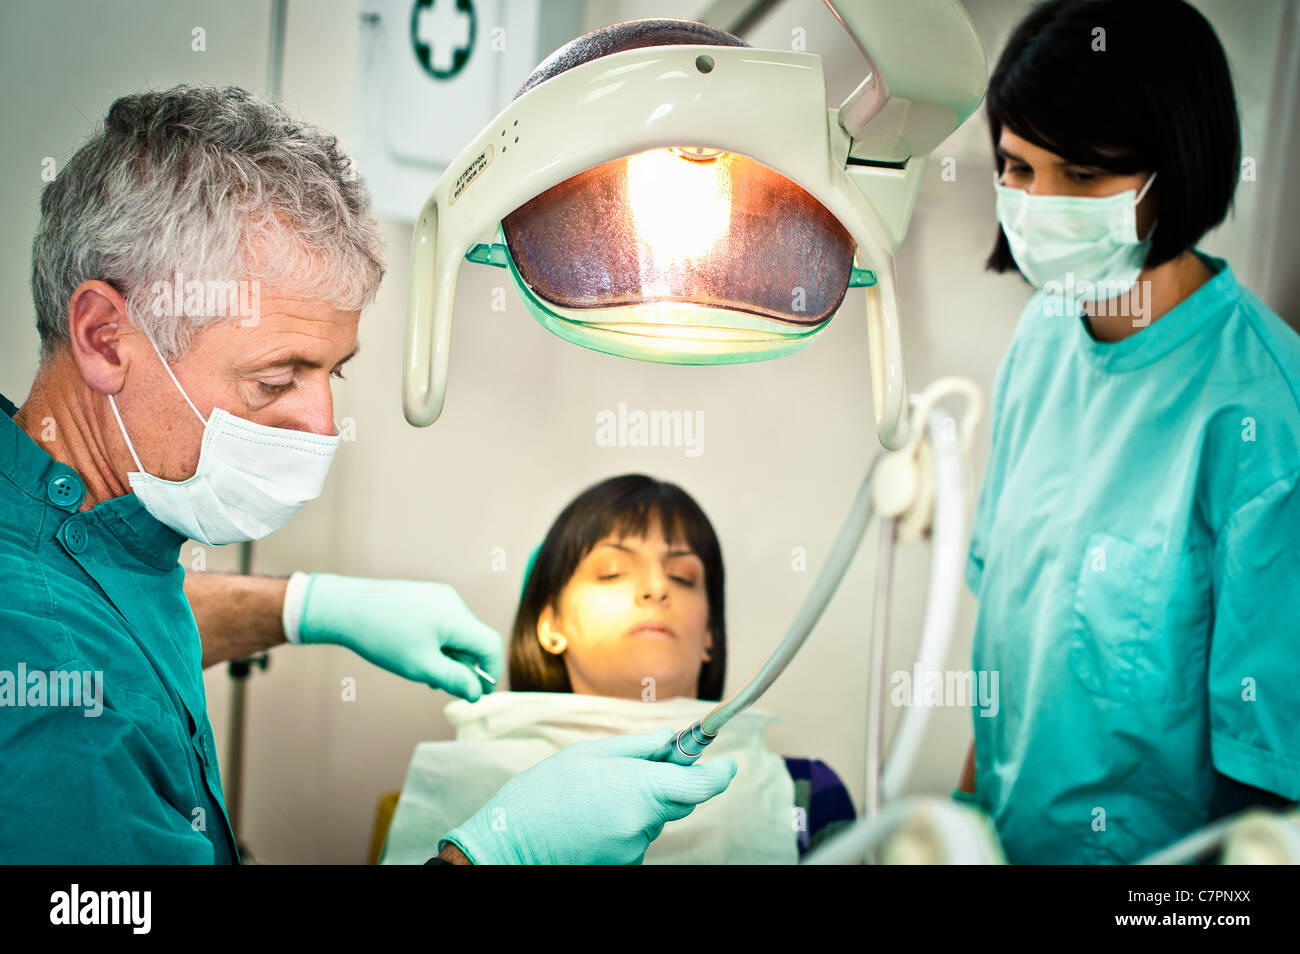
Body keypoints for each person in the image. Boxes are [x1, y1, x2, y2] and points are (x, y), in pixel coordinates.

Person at [0, 84, 733, 865]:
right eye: (277, 379)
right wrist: (494, 856)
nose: (322, 426)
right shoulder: (49, 688)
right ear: (106, 337)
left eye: (334, 376)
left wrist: (310, 608)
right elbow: (81, 660)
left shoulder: (85, 535)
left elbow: (116, 622)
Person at [957, 0, 1299, 864]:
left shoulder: (1262, 415)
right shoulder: (1042, 339)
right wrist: (959, 820)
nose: (1037, 205)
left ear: (1175, 168)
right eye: (1016, 169)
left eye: (1080, 174)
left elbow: (1271, 788)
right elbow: (1012, 637)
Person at [417, 475, 854, 863]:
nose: (656, 587)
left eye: (683, 577)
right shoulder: (449, 787)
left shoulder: (807, 795)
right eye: (611, 573)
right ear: (550, 625)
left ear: (709, 638)